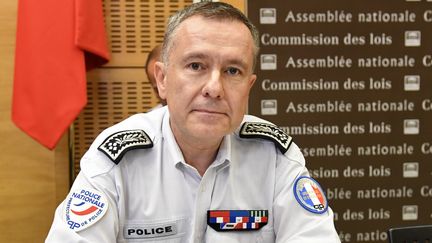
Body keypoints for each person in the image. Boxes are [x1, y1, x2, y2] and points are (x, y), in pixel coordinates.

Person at [45, 2, 341, 242]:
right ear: (162, 79)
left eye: (233, 71)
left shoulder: (275, 156)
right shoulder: (117, 158)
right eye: (196, 66)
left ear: (249, 87)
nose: (214, 88)